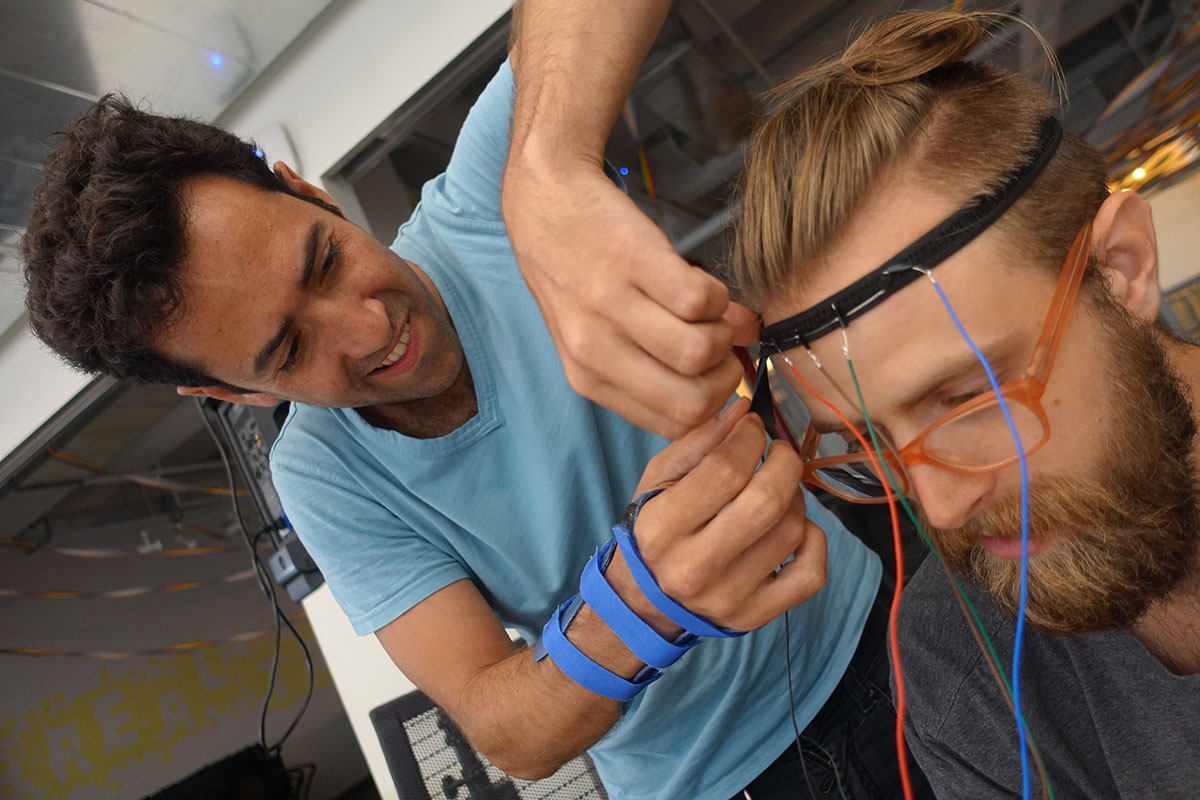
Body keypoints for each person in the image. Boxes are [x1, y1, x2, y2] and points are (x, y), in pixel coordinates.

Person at [20, 3, 929, 799]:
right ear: (229, 390)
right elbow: (505, 728)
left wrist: (548, 168)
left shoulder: (490, 201)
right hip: (733, 778)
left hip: (886, 613)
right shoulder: (326, 476)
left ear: (305, 189)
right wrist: (649, 601)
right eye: (291, 350)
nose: (369, 332)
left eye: (326, 260)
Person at [729, 9, 1200, 800]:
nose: (942, 509)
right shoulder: (957, 646)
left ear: (1121, 271)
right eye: (872, 439)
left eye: (967, 394)